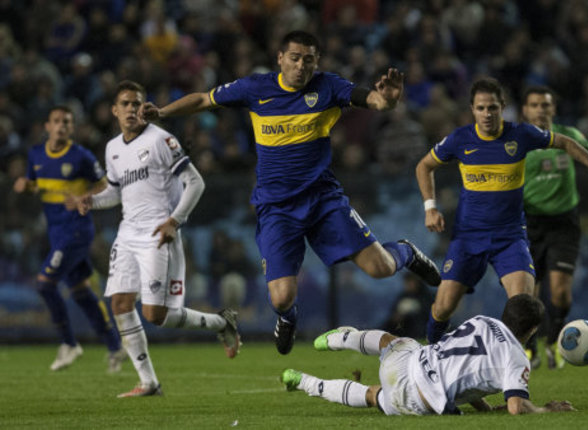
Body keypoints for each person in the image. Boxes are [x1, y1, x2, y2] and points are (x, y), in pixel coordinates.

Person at [140, 30, 441, 355]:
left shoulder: (328, 86)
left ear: (317, 61)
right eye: (294, 58)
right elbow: (203, 99)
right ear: (280, 58)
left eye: (308, 59)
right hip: (277, 208)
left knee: (380, 269)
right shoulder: (256, 88)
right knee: (282, 297)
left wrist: (388, 101)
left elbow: (374, 100)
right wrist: (163, 113)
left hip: (323, 200)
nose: (301, 66)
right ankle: (287, 317)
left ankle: (406, 252)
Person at [414, 78, 588, 345]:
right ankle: (430, 356)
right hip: (469, 238)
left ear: (502, 107)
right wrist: (430, 208)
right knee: (443, 307)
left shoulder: (521, 134)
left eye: (492, 108)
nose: (487, 114)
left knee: (523, 308)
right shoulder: (460, 139)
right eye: (481, 108)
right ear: (472, 109)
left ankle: (514, 369)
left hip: (509, 238)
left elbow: (567, 143)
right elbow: (424, 166)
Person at [70, 80, 240, 397]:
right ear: (114, 111)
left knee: (156, 316)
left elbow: (196, 183)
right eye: (125, 104)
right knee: (120, 302)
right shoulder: (113, 148)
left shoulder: (162, 139)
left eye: (137, 103)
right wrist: (91, 201)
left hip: (158, 232)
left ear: (143, 107)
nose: (131, 109)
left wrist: (174, 220)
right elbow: (117, 194)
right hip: (127, 232)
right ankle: (148, 382)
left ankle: (221, 322)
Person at [281, 294, 576, 415]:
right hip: (417, 397)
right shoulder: (516, 359)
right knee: (373, 396)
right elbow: (515, 405)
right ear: (533, 330)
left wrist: (485, 410)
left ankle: (341, 338)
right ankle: (305, 382)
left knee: (390, 341)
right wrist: (544, 409)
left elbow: (462, 366)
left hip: (410, 362)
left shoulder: (483, 321)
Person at [13, 105, 127, 373]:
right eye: (57, 121)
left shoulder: (81, 157)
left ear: (72, 128)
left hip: (77, 229)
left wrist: (83, 197)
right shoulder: (36, 155)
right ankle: (115, 346)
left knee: (44, 284)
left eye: (67, 122)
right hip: (56, 231)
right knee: (80, 291)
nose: (62, 126)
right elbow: (34, 183)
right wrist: (24, 186)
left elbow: (105, 184)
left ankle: (68, 343)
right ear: (47, 126)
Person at [521, 86, 588, 369]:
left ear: (553, 109)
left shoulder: (569, 136)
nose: (540, 110)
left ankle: (553, 342)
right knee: (528, 293)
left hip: (564, 222)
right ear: (525, 110)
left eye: (545, 105)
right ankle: (529, 348)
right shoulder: (518, 142)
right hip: (529, 222)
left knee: (560, 291)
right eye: (534, 105)